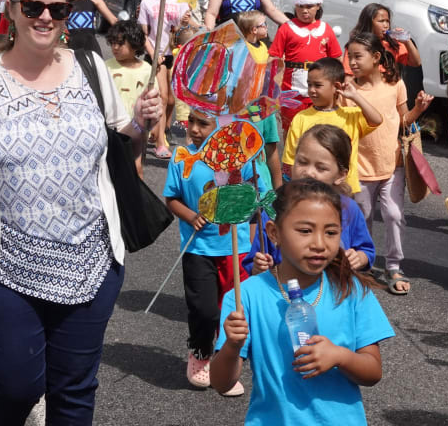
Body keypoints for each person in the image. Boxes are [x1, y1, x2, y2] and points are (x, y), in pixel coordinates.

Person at [0, 0, 162, 426]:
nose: (45, 17)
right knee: (15, 386)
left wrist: (142, 122)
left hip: (91, 263)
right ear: (11, 9)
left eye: (57, 8)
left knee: (75, 389)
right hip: (8, 266)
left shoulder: (90, 66)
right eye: (32, 7)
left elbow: (122, 142)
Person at [210, 178, 394, 423]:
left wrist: (340, 356)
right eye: (305, 231)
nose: (319, 244)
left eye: (331, 232)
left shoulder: (351, 289)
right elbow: (222, 383)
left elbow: (373, 372)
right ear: (274, 232)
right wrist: (232, 347)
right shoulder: (245, 296)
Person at [163, 108, 269, 394]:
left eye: (203, 123)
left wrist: (259, 236)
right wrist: (189, 215)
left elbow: (258, 199)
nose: (194, 129)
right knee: (204, 310)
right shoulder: (182, 157)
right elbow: (171, 198)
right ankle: (200, 352)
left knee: (233, 312)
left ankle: (227, 365)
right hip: (198, 248)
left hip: (237, 250)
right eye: (191, 122)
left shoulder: (239, 158)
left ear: (222, 126)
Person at [345, 33, 433, 295]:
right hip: (359, 168)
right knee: (363, 217)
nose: (352, 62)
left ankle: (393, 265)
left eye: (358, 56)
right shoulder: (349, 90)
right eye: (350, 57)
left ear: (375, 57)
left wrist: (418, 109)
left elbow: (403, 121)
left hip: (392, 164)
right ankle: (365, 262)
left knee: (394, 215)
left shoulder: (395, 84)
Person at [244, 124, 375, 277]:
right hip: (287, 295)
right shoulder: (275, 208)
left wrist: (359, 258)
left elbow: (366, 250)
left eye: (321, 168)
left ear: (340, 175)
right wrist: (258, 267)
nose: (309, 172)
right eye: (302, 162)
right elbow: (254, 260)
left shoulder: (348, 208)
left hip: (335, 293)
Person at [282, 57, 383, 195]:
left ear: (336, 86)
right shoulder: (301, 118)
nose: (311, 90)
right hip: (310, 191)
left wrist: (355, 96)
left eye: (317, 85)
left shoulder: (350, 116)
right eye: (309, 84)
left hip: (344, 190)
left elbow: (376, 120)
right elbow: (291, 161)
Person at [269, 0, 343, 129]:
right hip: (291, 90)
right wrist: (271, 87)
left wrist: (338, 86)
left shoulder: (325, 29)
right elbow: (273, 59)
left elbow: (337, 59)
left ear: (318, 6)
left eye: (309, 6)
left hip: (322, 89)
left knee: (320, 129)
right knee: (291, 129)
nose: (304, 11)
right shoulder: (286, 28)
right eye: (300, 6)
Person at [138, 0, 192, 158]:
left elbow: (181, 31)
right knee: (160, 97)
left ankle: (158, 130)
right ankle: (160, 143)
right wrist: (153, 54)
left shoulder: (179, 0)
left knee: (171, 100)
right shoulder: (147, 2)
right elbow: (143, 34)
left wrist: (184, 22)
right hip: (156, 55)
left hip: (174, 53)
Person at [236, 11, 283, 188]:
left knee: (270, 143)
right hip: (247, 106)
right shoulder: (242, 49)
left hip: (264, 103)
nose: (267, 27)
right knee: (250, 144)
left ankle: (276, 187)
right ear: (254, 29)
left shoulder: (263, 47)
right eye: (264, 24)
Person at [105, 19, 153, 177]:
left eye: (120, 43)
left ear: (135, 45)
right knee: (112, 170)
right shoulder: (105, 66)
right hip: (110, 129)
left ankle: (137, 200)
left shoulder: (147, 70)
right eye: (112, 43)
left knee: (136, 168)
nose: (115, 47)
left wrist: (155, 128)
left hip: (137, 128)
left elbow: (154, 101)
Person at [346, 3, 421, 73]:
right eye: (381, 21)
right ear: (369, 23)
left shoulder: (391, 44)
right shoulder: (355, 46)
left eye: (387, 21)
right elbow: (349, 76)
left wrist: (407, 41)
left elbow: (416, 63)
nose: (386, 25)